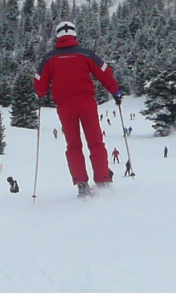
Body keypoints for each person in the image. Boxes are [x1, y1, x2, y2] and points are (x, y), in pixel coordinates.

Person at [34, 20, 121, 197]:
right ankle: (102, 179)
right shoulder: (86, 54)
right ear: (74, 35)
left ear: (57, 37)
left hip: (65, 106)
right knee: (96, 141)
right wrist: (116, 91)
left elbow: (39, 83)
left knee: (73, 145)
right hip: (86, 103)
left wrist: (40, 95)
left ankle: (81, 183)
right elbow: (104, 72)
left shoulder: (49, 58)